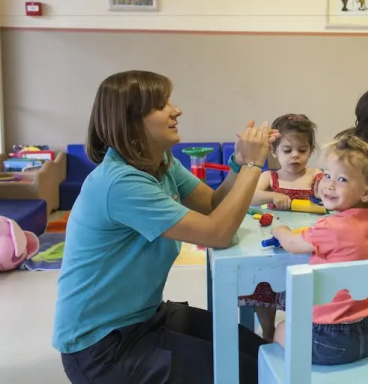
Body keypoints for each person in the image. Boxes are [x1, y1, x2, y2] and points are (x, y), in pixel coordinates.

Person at [52, 70, 277, 384]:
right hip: (101, 348)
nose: (177, 110)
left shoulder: (162, 162)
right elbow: (218, 233)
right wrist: (254, 165)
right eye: (161, 105)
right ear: (130, 121)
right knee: (249, 373)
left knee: (262, 356)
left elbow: (213, 204)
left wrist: (239, 165)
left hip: (146, 317)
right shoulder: (120, 183)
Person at [271, 135, 368, 365]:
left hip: (329, 339)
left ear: (367, 192)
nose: (329, 184)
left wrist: (280, 230)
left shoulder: (330, 227)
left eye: (342, 179)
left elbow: (293, 245)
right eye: (327, 175)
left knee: (281, 329)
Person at [242, 113, 323, 340]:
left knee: (301, 288)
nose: (295, 155)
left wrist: (322, 190)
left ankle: (298, 330)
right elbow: (250, 195)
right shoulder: (270, 177)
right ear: (274, 151)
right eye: (287, 150)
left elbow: (324, 190)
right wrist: (272, 195)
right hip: (275, 241)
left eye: (302, 150)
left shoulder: (314, 174)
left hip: (303, 243)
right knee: (265, 286)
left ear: (310, 150)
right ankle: (268, 331)